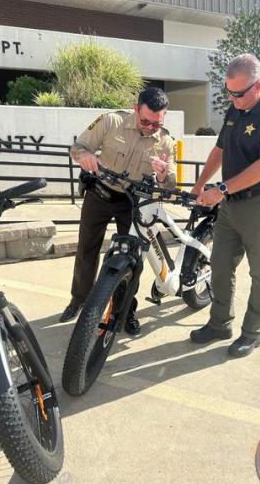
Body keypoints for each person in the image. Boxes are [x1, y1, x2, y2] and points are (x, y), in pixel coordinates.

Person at [189, 54, 260, 357]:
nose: (232, 99)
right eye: (228, 92)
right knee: (220, 266)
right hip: (231, 204)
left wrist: (220, 188)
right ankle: (220, 323)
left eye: (238, 93)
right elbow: (220, 148)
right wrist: (200, 183)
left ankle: (253, 332)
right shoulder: (235, 111)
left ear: (257, 86)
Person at [59, 87, 177, 336]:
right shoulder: (111, 121)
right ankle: (79, 300)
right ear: (136, 108)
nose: (150, 127)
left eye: (157, 123)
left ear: (164, 118)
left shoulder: (165, 141)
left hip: (133, 204)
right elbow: (77, 147)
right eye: (145, 120)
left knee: (133, 260)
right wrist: (86, 156)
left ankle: (125, 310)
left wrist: (165, 175)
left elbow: (171, 183)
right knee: (87, 248)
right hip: (100, 193)